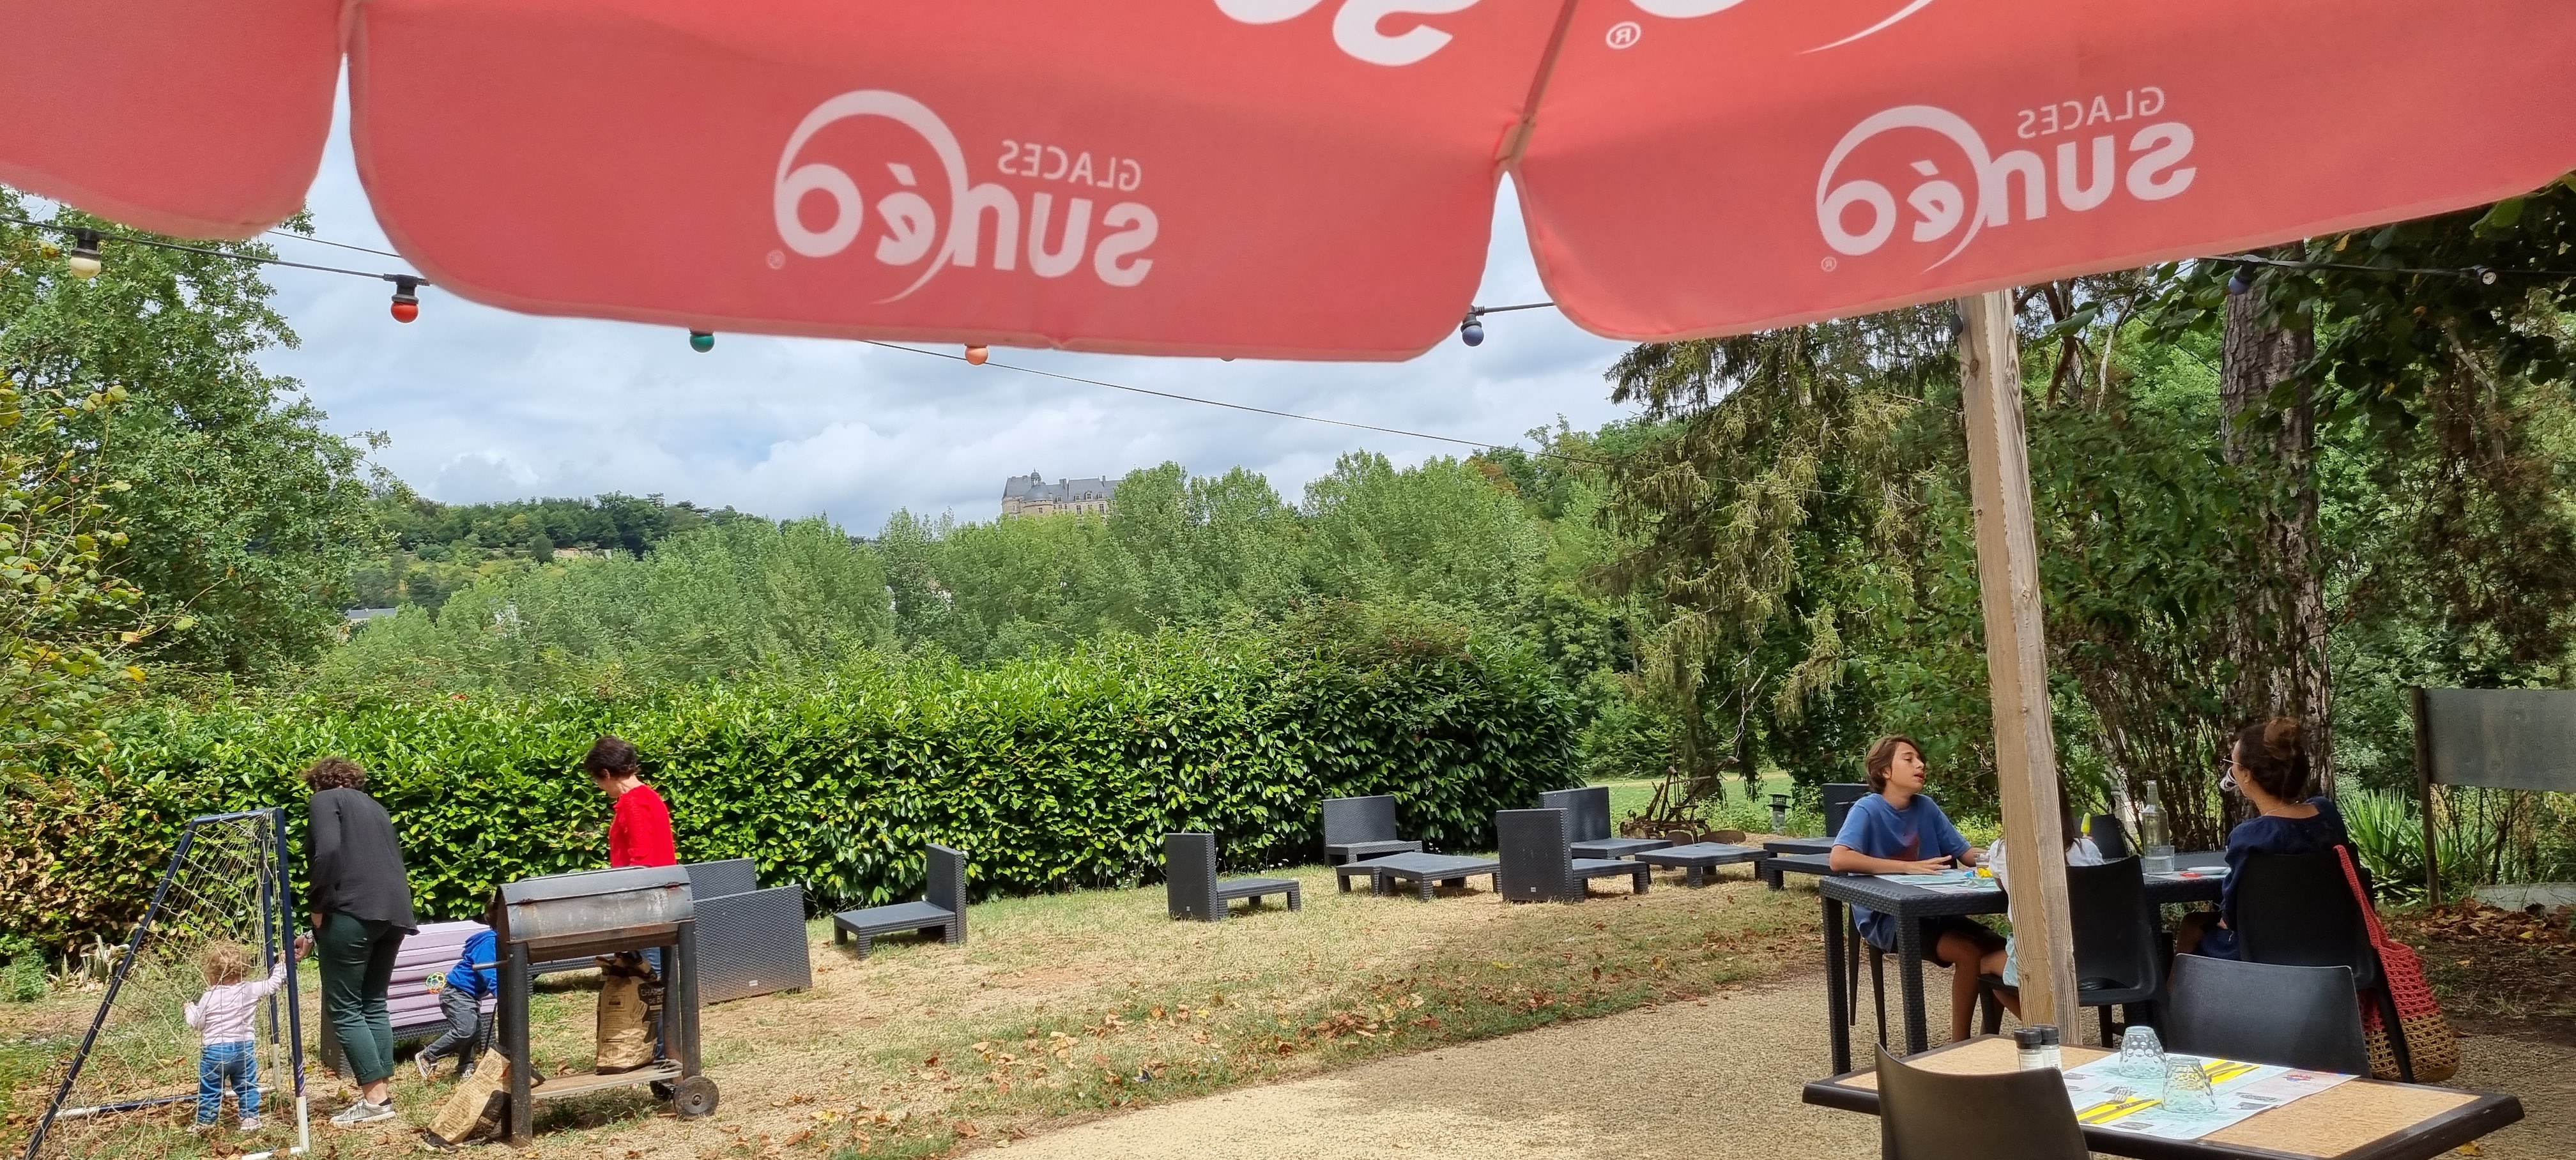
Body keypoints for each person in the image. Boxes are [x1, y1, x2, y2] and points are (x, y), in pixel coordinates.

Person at [1828, 734, 2000, 1042]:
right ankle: (1960, 1046)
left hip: (1936, 912)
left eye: (1920, 760)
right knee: (1970, 952)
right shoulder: (1867, 809)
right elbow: (1839, 859)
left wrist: (2004, 854)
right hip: (1888, 918)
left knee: (1999, 948)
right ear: (1885, 771)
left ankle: (1989, 1039)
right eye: (1909, 759)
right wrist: (1906, 866)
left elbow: (1966, 855)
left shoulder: (1926, 808)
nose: (1920, 765)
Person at [305, 756, 418, 1127]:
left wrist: (318, 906)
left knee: (344, 1008)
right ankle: (381, 1094)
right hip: (394, 914)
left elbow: (328, 852)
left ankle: (374, 1101)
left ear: (319, 782)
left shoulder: (325, 800)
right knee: (373, 1002)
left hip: (351, 913)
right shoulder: (376, 807)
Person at [2179, 717, 2350, 959]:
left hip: (2260, 956)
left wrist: (2224, 920)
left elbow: (2233, 916)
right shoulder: (2327, 814)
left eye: (2233, 764)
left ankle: (2181, 986)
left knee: (2191, 927)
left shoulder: (2250, 837)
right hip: (2334, 948)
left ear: (2247, 775)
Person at [1983, 786, 2105, 1014]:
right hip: (2092, 959)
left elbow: (2000, 883)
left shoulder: (2002, 850)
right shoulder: (2087, 850)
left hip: (2035, 957)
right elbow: (2099, 889)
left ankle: (2040, 1025)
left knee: (1985, 965)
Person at [187, 937, 306, 1133]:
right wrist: (282, 963)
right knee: (248, 1085)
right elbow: (273, 984)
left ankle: (206, 1122)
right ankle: (250, 1119)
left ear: (212, 975)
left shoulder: (209, 997)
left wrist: (190, 1009)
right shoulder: (250, 989)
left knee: (211, 1088)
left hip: (215, 1052)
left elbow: (197, 1024)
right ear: (244, 970)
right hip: (244, 1049)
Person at [415, 925, 496, 1080]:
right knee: (465, 1030)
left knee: (474, 1032)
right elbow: (488, 970)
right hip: (456, 993)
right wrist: (500, 991)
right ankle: (428, 1055)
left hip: (470, 996)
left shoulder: (496, 941)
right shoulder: (489, 942)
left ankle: (466, 1066)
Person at [589, 735, 677, 869]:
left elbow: (641, 862)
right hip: (663, 879)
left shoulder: (633, 801)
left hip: (648, 882)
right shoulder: (649, 795)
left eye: (596, 779)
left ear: (606, 774)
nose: (599, 786)